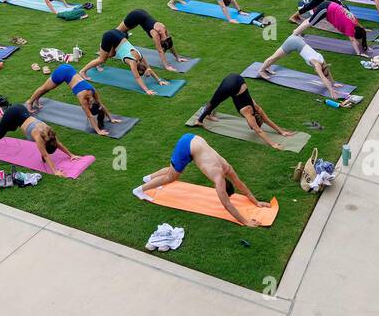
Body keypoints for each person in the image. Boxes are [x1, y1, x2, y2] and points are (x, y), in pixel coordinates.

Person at [134, 134, 271, 226]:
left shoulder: (227, 168)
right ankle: (140, 190)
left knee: (174, 171)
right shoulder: (218, 179)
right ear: (222, 187)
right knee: (171, 177)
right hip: (187, 146)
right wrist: (246, 222)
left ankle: (149, 178)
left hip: (194, 139)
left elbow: (241, 185)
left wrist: (256, 202)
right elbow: (227, 204)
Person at [189, 74, 296, 149]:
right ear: (254, 121)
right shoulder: (247, 113)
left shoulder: (256, 108)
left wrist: (282, 132)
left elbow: (267, 120)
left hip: (237, 78)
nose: (250, 126)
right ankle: (199, 120)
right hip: (232, 86)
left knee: (217, 100)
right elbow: (258, 131)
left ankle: (207, 114)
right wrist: (273, 144)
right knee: (213, 102)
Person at [0, 104, 81, 177]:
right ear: (45, 144)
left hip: (21, 113)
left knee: (12, 128)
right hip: (13, 112)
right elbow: (46, 155)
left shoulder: (50, 133)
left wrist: (71, 155)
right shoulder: (39, 137)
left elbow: (59, 144)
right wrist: (55, 171)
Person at [27, 63, 123, 136]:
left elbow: (101, 105)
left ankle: (37, 100)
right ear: (90, 105)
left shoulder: (93, 91)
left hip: (69, 69)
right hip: (62, 72)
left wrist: (111, 118)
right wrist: (98, 131)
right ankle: (30, 103)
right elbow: (89, 116)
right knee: (45, 88)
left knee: (48, 88)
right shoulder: (82, 97)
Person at [79, 29, 170, 96]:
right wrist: (147, 90)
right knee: (102, 59)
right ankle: (83, 71)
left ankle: (102, 50)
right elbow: (137, 77)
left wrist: (159, 80)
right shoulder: (133, 63)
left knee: (111, 54)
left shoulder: (140, 57)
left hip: (118, 35)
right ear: (137, 68)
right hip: (110, 36)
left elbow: (149, 68)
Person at [259, 35, 346, 100]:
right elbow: (323, 78)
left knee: (277, 57)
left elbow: (327, 72)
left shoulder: (323, 62)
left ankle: (267, 66)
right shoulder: (317, 64)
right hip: (292, 43)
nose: (316, 71)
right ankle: (261, 71)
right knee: (275, 57)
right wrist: (331, 90)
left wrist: (333, 83)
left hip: (298, 42)